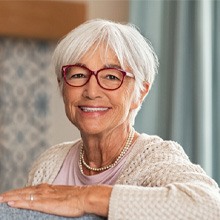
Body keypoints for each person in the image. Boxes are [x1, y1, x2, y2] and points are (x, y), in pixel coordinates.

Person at [0, 19, 220, 220]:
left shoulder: (155, 157)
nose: (91, 91)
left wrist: (84, 198)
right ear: (62, 85)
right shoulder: (50, 163)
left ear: (140, 92)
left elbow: (210, 205)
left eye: (111, 77)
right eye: (78, 75)